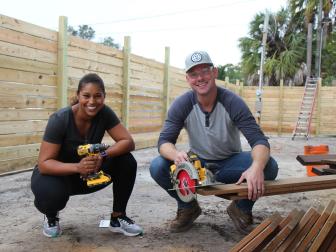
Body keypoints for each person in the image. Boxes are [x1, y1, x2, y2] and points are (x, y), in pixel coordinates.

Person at [149, 51, 278, 234]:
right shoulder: (182, 104)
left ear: (215, 72)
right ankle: (188, 207)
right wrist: (176, 155)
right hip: (197, 164)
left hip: (230, 163)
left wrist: (256, 166)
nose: (200, 78)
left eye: (205, 71)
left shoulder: (233, 102)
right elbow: (164, 142)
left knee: (268, 166)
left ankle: (241, 209)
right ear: (188, 79)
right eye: (194, 74)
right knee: (158, 165)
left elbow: (259, 141)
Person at [31, 73, 143, 238]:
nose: (92, 102)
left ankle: (118, 217)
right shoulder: (60, 119)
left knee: (126, 161)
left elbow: (128, 142)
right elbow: (44, 164)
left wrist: (102, 156)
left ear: (104, 97)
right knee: (51, 195)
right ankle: (51, 217)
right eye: (86, 96)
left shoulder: (104, 113)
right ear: (78, 95)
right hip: (59, 175)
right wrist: (77, 167)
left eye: (98, 96)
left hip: (88, 174)